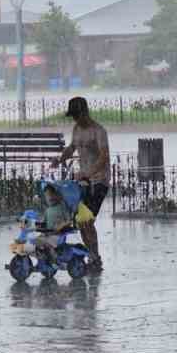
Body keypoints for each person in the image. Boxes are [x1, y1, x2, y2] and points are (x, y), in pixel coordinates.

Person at [58, 96, 110, 272]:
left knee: (87, 220)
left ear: (84, 112)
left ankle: (96, 258)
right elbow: (72, 147)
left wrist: (89, 173)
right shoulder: (76, 129)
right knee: (81, 221)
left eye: (77, 115)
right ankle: (93, 256)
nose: (75, 119)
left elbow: (104, 157)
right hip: (84, 183)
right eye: (72, 116)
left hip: (99, 182)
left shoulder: (99, 131)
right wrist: (60, 159)